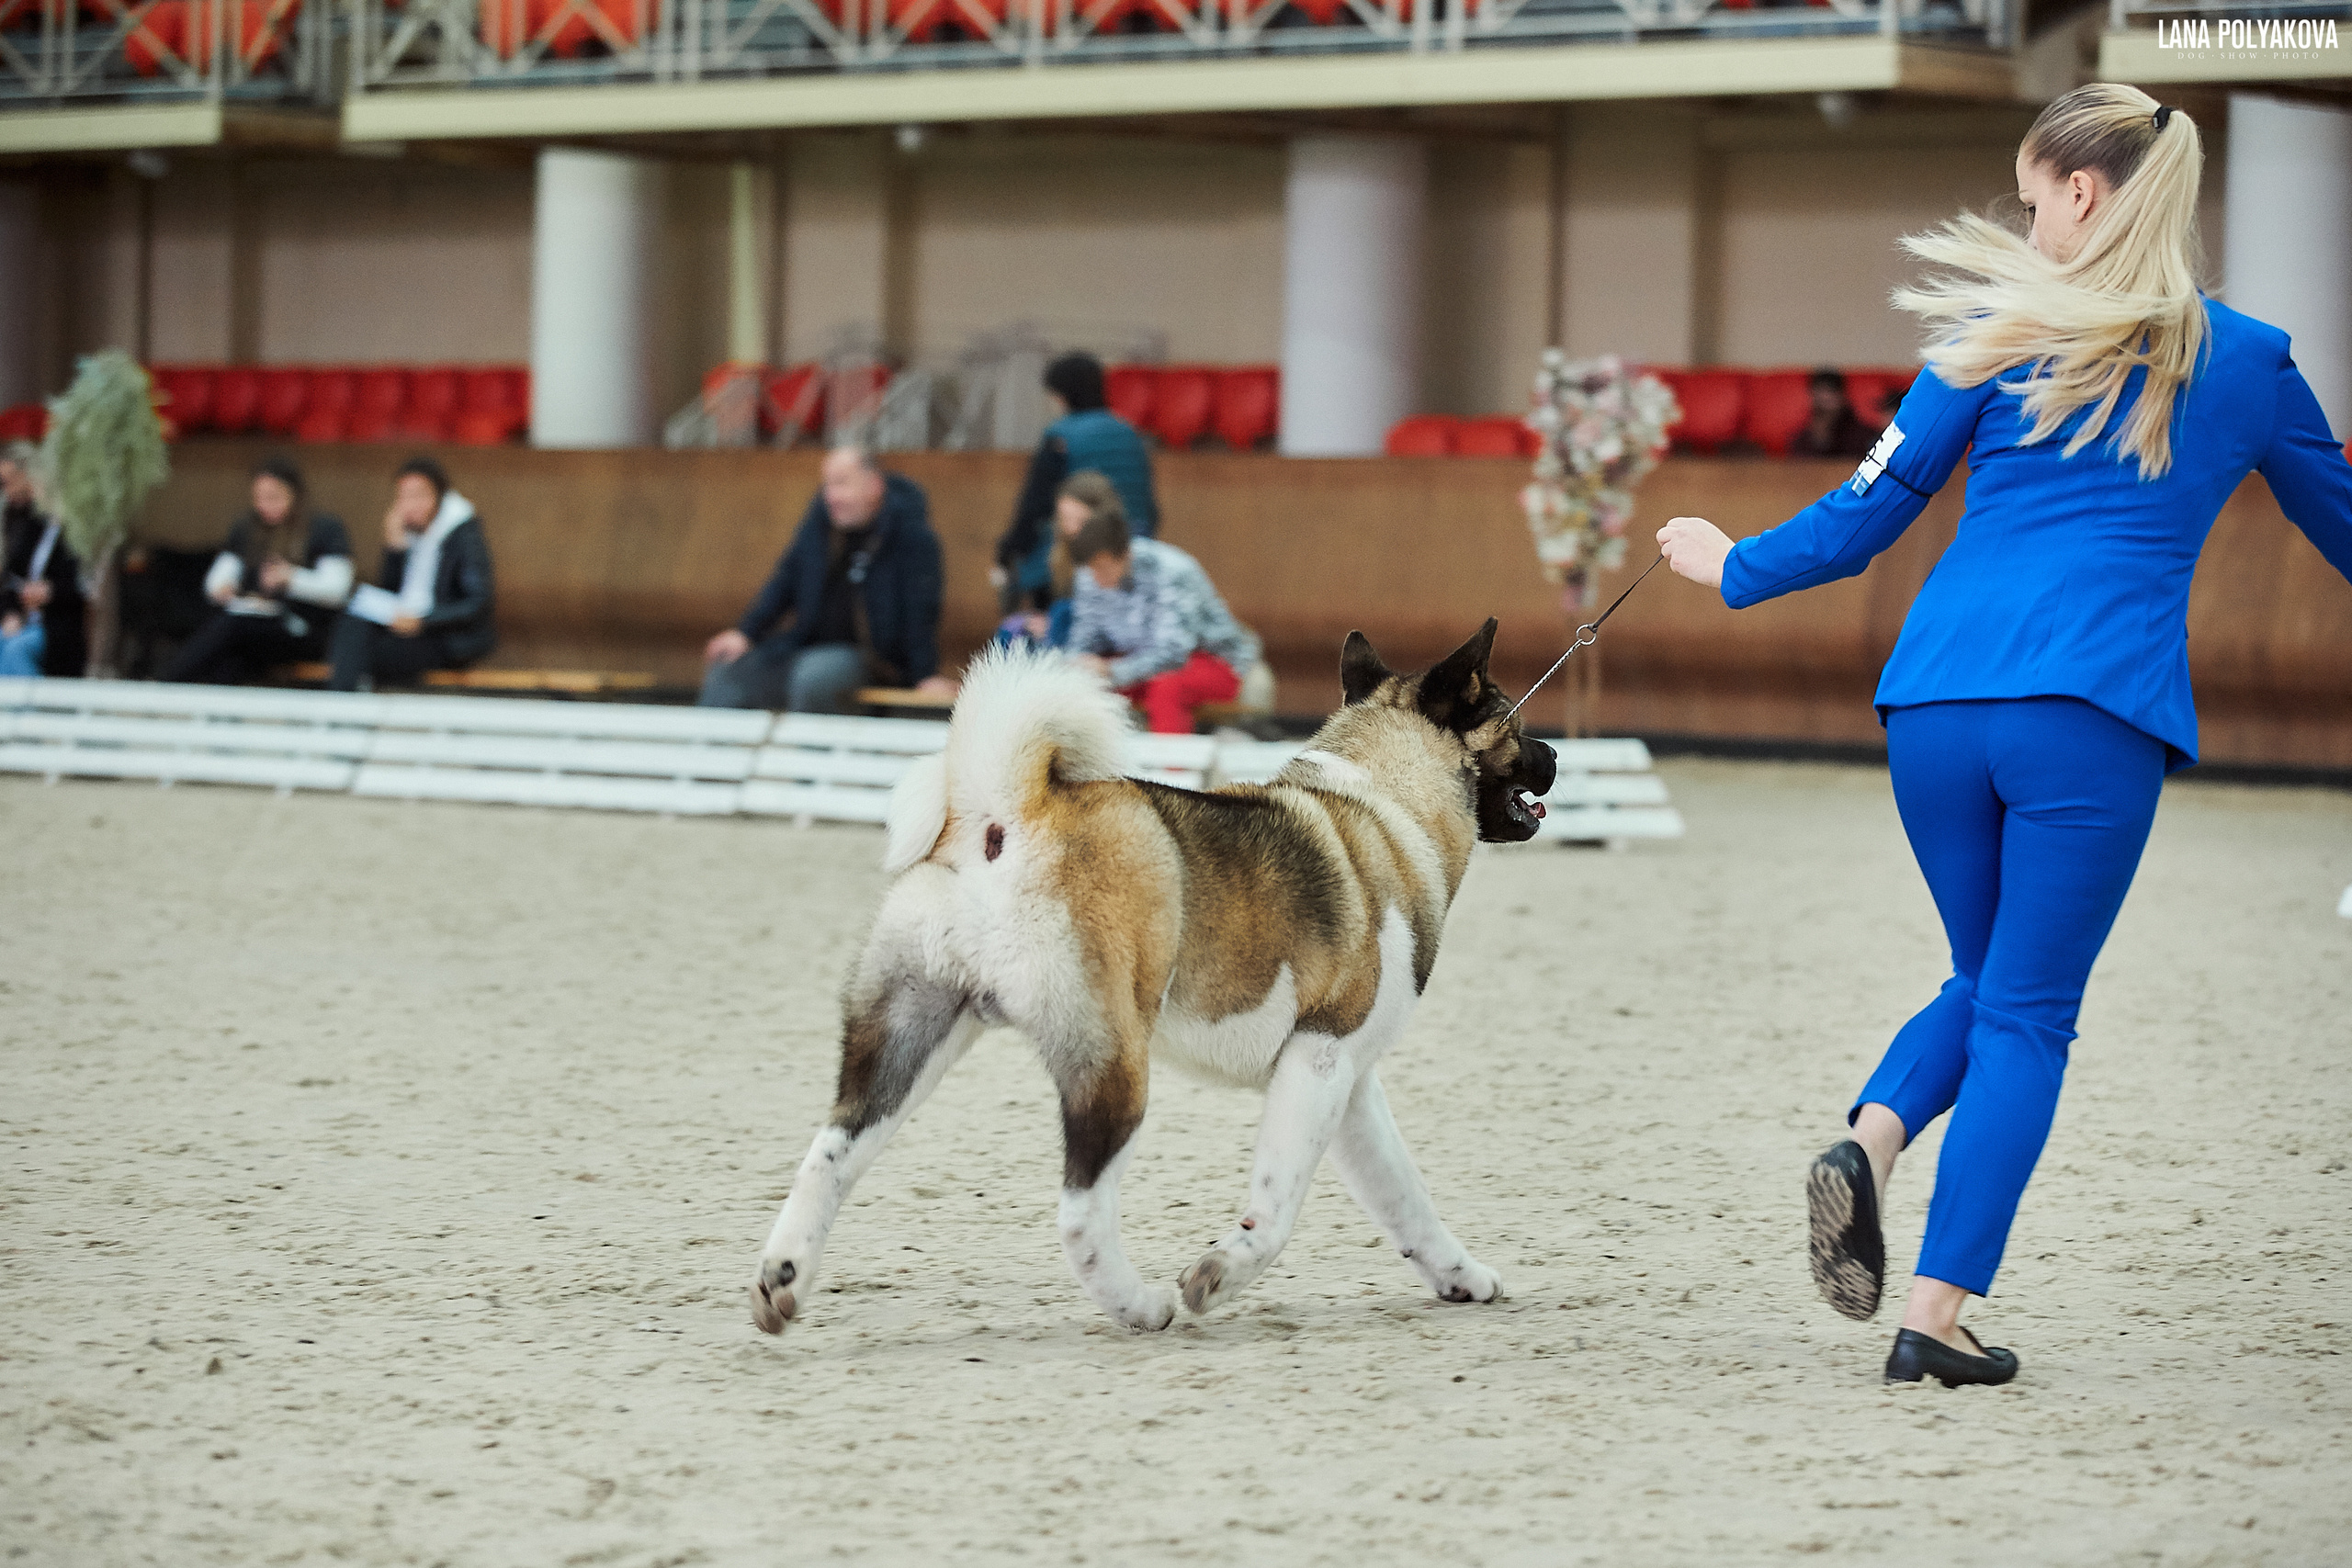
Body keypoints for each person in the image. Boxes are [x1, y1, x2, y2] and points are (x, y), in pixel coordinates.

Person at [1656, 85, 2352, 1388]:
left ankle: (1870, 1136)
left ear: (2083, 194)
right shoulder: (2249, 360)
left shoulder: (1991, 334)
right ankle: (1937, 1312)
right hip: (2087, 716)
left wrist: (1730, 562)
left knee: (1983, 979)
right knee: (2031, 1013)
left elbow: (1865, 509)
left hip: (1932, 707)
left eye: (2032, 200)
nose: (2026, 225)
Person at [700, 446, 955, 712]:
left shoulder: (912, 537)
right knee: (728, 670)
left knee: (815, 678)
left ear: (874, 486)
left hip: (872, 659)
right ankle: (704, 751)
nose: (831, 496)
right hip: (805, 645)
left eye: (842, 484)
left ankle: (803, 753)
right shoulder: (820, 525)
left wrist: (924, 674)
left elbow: (921, 611)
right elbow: (785, 580)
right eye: (828, 486)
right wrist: (745, 633)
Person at [1065, 509, 1259, 735]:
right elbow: (1083, 641)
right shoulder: (1088, 576)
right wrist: (1077, 666)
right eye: (1091, 570)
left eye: (1102, 568)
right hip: (1137, 660)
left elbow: (1174, 654)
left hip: (1211, 660)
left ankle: (1172, 768)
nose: (1096, 578)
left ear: (1125, 554)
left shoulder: (1173, 571)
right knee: (1082, 685)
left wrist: (1112, 671)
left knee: (1166, 688)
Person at [991, 352, 1158, 614]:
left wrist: (1010, 549)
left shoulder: (1061, 437)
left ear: (1061, 395)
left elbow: (1036, 507)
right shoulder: (1129, 433)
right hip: (1134, 554)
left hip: (1079, 563)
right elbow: (1149, 509)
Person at [164, 455, 353, 685]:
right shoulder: (248, 527)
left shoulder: (324, 528)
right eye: (259, 498)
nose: (265, 506)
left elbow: (337, 590)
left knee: (232, 628)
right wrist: (222, 587)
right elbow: (221, 574)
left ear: (294, 493)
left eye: (273, 497)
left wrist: (291, 579)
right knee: (230, 654)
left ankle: (169, 681)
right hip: (255, 624)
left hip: (304, 628)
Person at [327, 456, 496, 692]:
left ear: (439, 496)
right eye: (403, 497)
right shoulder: (409, 532)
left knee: (360, 655)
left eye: (418, 495)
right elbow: (391, 592)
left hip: (443, 636)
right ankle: (344, 706)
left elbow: (478, 603)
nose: (409, 504)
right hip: (403, 624)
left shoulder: (463, 534)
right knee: (352, 622)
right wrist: (395, 550)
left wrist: (423, 621)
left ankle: (342, 711)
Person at [993, 471, 1124, 653]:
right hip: (1068, 630)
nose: (1071, 528)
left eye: (1079, 521)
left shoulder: (1117, 554)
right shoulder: (1061, 552)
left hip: (1103, 634)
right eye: (1065, 519)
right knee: (1012, 631)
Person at [0, 442, 85, 680]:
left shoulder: (75, 534)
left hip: (55, 626)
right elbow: (11, 577)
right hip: (24, 621)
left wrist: (50, 591)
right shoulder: (32, 526)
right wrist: (11, 615)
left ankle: (30, 713)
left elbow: (81, 586)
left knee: (17, 649)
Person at [1788, 367, 1880, 459]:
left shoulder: (1863, 436)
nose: (1823, 402)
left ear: (1842, 397)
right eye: (1819, 397)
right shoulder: (1802, 440)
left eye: (1829, 394)